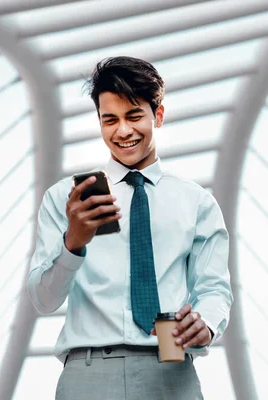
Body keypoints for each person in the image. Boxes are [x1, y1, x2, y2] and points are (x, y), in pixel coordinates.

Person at [27, 56, 233, 400]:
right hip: (88, 374)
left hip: (171, 366)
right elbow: (43, 301)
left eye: (134, 116)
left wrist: (206, 324)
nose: (123, 131)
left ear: (159, 115)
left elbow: (214, 289)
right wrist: (72, 244)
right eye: (110, 120)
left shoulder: (197, 201)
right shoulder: (66, 198)